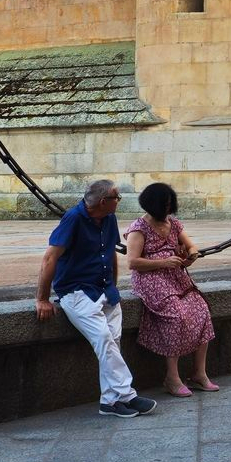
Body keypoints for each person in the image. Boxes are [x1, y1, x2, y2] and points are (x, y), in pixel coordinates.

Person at [35, 179, 158, 418]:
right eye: (117, 198)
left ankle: (109, 402)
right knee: (103, 338)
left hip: (104, 290)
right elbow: (50, 258)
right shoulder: (73, 219)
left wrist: (112, 285)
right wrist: (42, 298)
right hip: (76, 291)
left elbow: (110, 252)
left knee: (114, 340)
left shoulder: (108, 218)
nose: (119, 202)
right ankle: (127, 395)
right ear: (104, 202)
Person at [124, 183, 217, 397]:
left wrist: (191, 255)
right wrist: (164, 262)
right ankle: (172, 377)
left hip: (175, 277)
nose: (167, 209)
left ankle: (199, 374)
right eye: (164, 205)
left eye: (169, 205)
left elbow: (191, 245)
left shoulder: (173, 224)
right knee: (177, 316)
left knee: (202, 310)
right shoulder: (139, 228)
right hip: (151, 280)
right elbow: (133, 262)